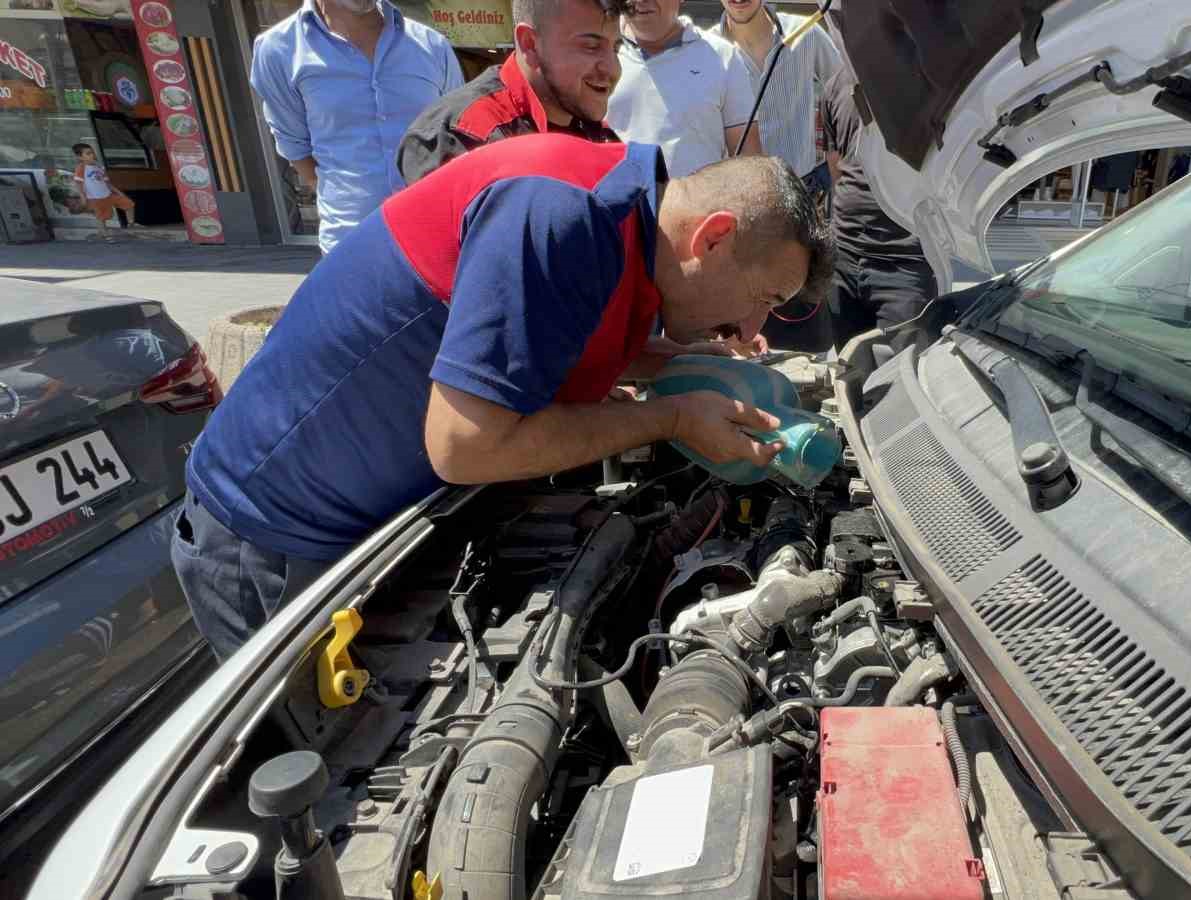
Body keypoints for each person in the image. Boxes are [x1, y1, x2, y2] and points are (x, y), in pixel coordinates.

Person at [171, 134, 830, 659]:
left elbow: (547, 339)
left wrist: (671, 362)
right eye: (763, 299)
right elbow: (466, 445)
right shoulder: (557, 211)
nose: (753, 331)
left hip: (372, 533)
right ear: (712, 238)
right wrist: (673, 417)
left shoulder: (621, 223)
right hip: (272, 540)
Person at [250, 0, 462, 253]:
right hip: (350, 241)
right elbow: (294, 145)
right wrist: (347, 200)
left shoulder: (432, 45)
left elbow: (457, 133)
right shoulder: (278, 50)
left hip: (436, 236)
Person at [398, 0, 623, 185]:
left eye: (616, 48)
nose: (613, 69)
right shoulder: (461, 135)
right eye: (591, 47)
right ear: (530, 44)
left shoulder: (599, 133)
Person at [820, 67, 938, 354]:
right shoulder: (836, 83)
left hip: (905, 262)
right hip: (843, 258)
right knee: (850, 370)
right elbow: (835, 166)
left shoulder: (929, 75)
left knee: (900, 379)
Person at [606, 0, 763, 177]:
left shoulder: (723, 56)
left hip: (702, 203)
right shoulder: (596, 57)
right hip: (617, 204)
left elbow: (748, 160)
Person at [710, 0, 838, 179]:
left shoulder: (806, 33)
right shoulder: (707, 51)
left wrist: (837, 153)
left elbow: (846, 92)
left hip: (807, 188)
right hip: (741, 193)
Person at [71, 143, 136, 240]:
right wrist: (83, 197)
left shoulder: (99, 167)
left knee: (129, 204)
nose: (92, 155)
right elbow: (78, 184)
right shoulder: (81, 168)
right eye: (88, 154)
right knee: (102, 216)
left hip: (108, 194)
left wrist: (118, 192)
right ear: (80, 157)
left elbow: (107, 183)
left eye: (92, 153)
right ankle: (103, 233)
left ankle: (131, 224)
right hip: (96, 198)